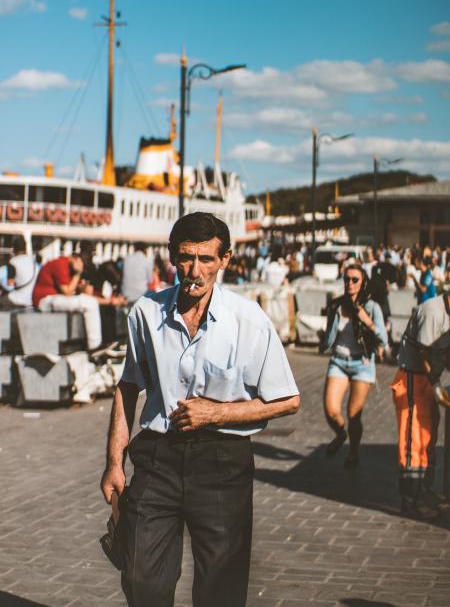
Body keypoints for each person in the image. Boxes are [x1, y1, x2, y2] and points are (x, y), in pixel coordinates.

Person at [101, 212, 300, 607]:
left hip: (222, 462)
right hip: (158, 457)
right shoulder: (145, 312)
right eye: (187, 258)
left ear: (224, 259)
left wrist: (218, 414)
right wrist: (113, 461)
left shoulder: (249, 322)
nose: (195, 270)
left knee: (220, 590)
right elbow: (128, 387)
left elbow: (288, 400)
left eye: (207, 259)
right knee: (141, 578)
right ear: (173, 256)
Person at [321, 263, 388, 468]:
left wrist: (366, 320)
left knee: (353, 415)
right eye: (346, 279)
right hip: (339, 361)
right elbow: (328, 339)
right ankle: (341, 434)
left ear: (362, 282)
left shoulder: (371, 306)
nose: (349, 283)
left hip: (363, 363)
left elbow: (383, 339)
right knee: (331, 410)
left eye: (354, 279)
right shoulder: (336, 305)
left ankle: (353, 451)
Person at [391, 292, 450, 519]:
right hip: (412, 379)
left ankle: (424, 492)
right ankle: (409, 501)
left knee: (428, 437)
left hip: (428, 379)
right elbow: (424, 351)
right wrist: (436, 385)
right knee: (413, 440)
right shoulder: (432, 311)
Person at [32, 253, 102, 350]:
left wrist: (83, 286)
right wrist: (78, 274)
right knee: (90, 303)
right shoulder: (60, 264)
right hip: (44, 300)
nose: (82, 267)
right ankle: (94, 347)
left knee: (90, 302)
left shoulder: (68, 266)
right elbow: (67, 292)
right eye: (82, 263)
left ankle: (92, 345)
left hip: (53, 298)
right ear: (75, 259)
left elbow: (77, 292)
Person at [0, 236, 38, 309]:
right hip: (32, 299)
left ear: (13, 249)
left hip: (19, 298)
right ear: (25, 248)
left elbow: (10, 286)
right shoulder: (34, 262)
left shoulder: (13, 262)